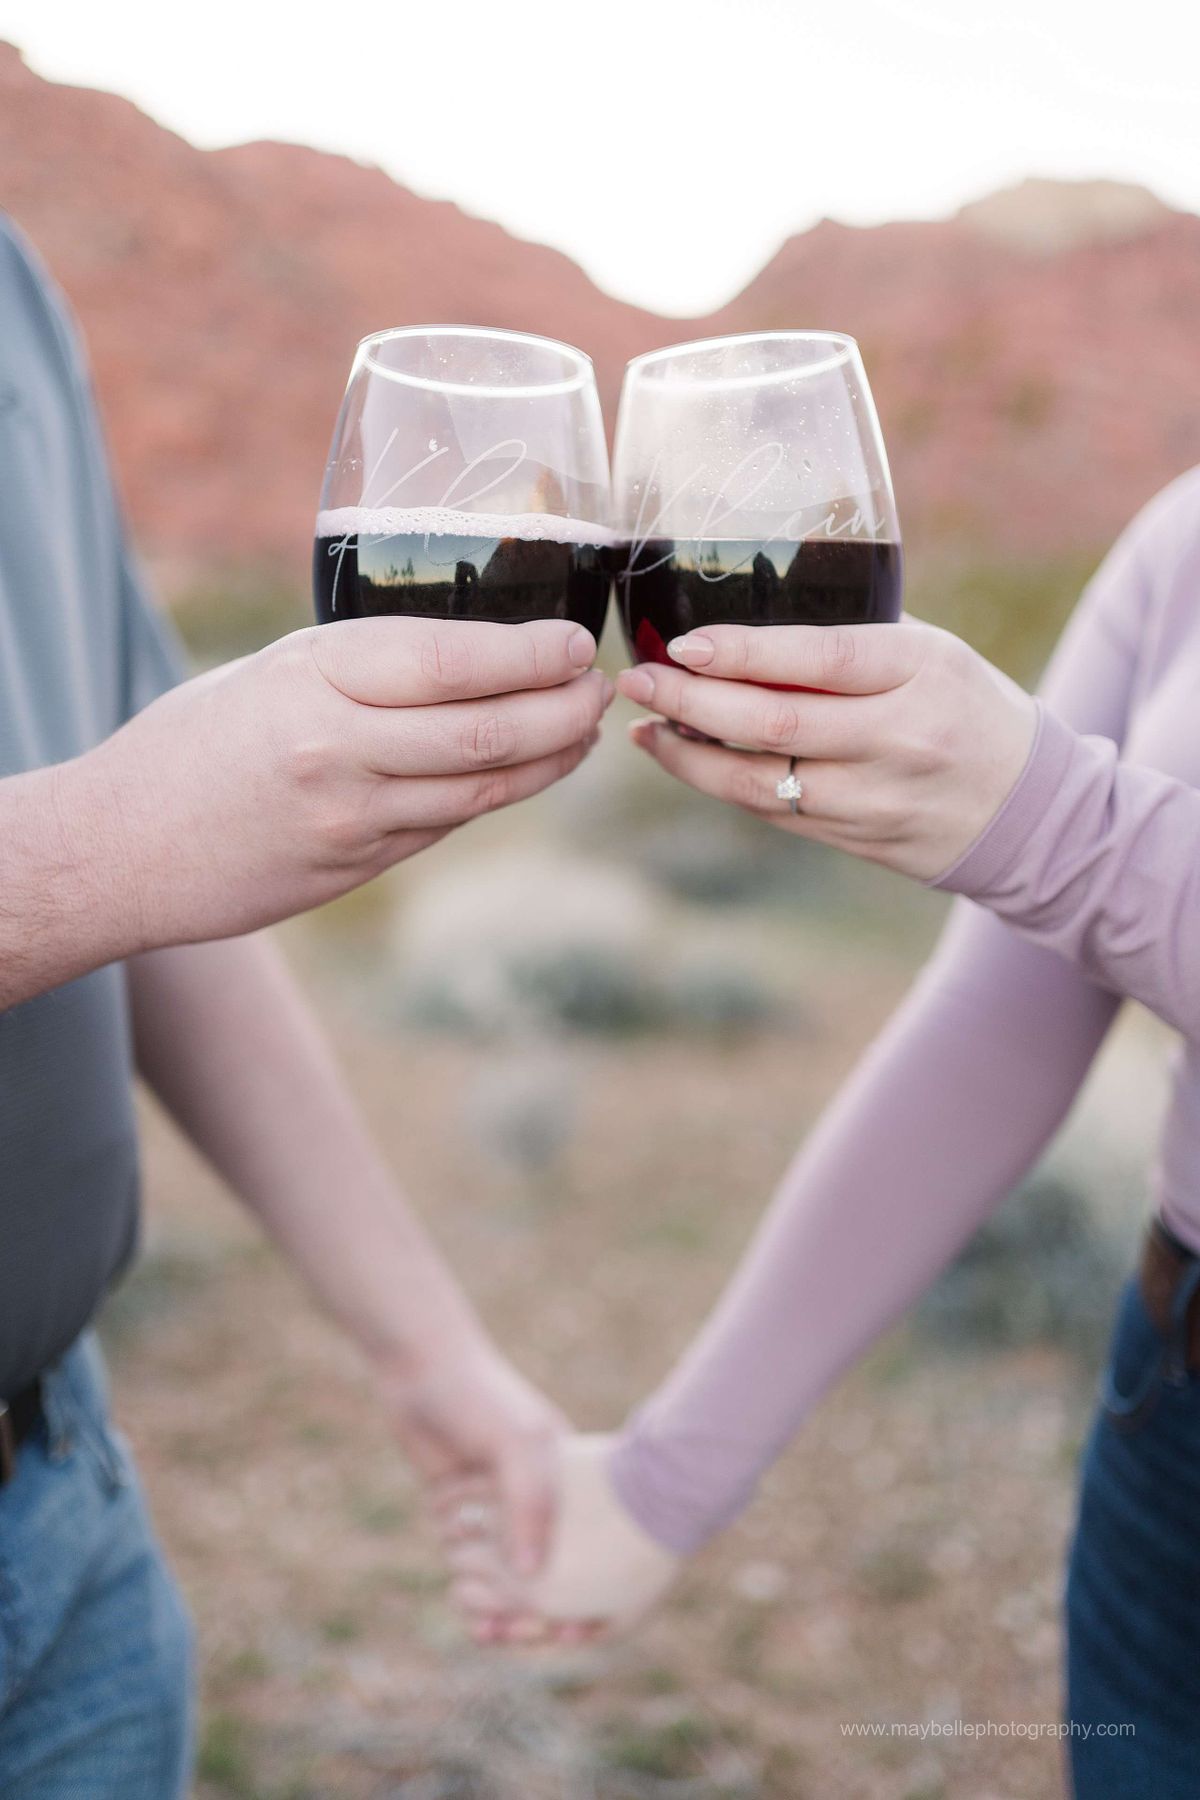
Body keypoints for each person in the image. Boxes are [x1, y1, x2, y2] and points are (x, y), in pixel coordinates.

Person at [445, 468, 1200, 1798]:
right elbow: (1004, 1007)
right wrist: (667, 1480)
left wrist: (1070, 831)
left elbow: (1069, 843)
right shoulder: (1187, 531)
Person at [0, 215, 613, 1797]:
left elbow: (153, 868)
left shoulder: (15, 275)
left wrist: (425, 1350)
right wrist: (107, 843)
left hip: (60, 1518)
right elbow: (118, 834)